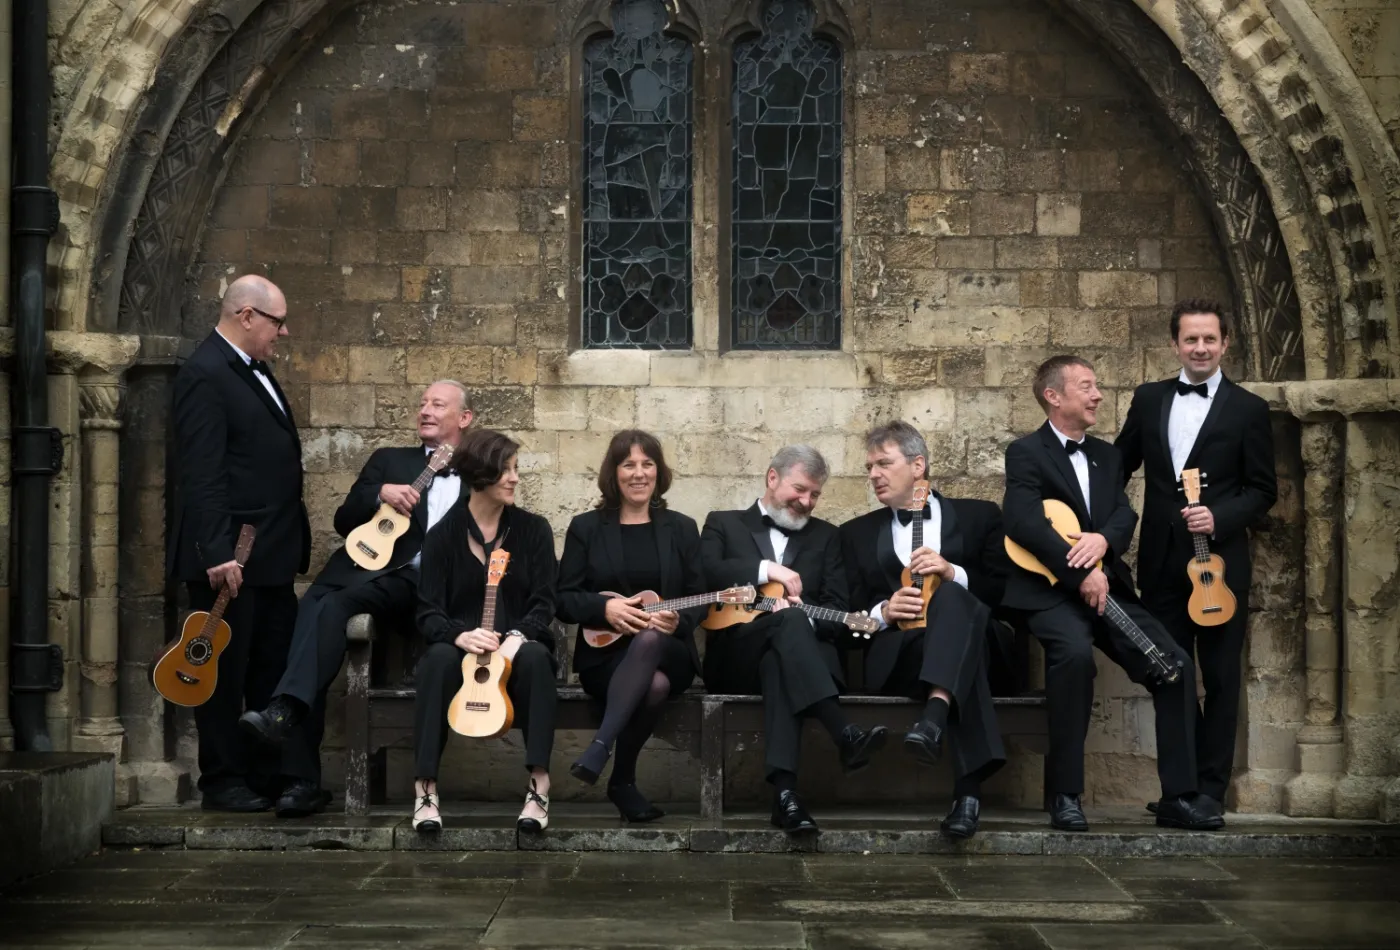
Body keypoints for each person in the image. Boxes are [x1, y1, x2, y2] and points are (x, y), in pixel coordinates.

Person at [1001, 355, 1221, 832]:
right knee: (1075, 660)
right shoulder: (1025, 453)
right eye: (1086, 386)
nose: (1098, 394)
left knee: (1175, 665)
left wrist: (1103, 543)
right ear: (1053, 396)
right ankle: (1065, 795)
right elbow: (1022, 522)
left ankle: (1178, 797)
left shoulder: (1108, 455)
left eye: (1096, 385)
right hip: (1050, 592)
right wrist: (1079, 572)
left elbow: (1123, 513)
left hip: (1108, 587)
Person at [238, 381, 474, 816]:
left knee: (326, 609)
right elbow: (345, 519)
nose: (424, 410)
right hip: (363, 573)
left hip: (424, 590)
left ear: (464, 419)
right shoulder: (389, 461)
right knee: (317, 609)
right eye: (421, 402)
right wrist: (378, 493)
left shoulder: (479, 474)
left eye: (437, 404)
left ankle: (288, 728)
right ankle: (298, 774)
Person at [1117, 299, 1277, 820]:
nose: (1201, 348)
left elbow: (1261, 490)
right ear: (1175, 345)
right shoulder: (1148, 399)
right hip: (1163, 563)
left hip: (1221, 568)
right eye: (1191, 340)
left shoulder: (1249, 409)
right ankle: (1177, 792)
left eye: (1210, 339)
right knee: (1170, 674)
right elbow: (1117, 465)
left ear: (1225, 343)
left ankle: (1209, 794)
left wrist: (1221, 517)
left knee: (1223, 679)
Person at [167, 274, 309, 812]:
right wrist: (218, 551)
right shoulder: (206, 373)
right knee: (222, 674)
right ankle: (223, 781)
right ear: (246, 315)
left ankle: (264, 774)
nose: (285, 331)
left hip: (269, 556)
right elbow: (201, 473)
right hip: (231, 558)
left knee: (268, 668)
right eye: (278, 321)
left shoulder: (254, 369)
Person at [699, 446, 886, 834]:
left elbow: (838, 610)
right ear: (772, 478)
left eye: (815, 494)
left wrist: (800, 616)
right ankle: (842, 731)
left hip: (795, 661)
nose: (806, 501)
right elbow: (707, 574)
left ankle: (786, 796)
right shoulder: (723, 523)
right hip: (736, 657)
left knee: (783, 651)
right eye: (800, 489)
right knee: (783, 635)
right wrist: (768, 568)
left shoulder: (828, 537)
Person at [840, 421, 1007, 839]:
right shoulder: (854, 534)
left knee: (952, 599)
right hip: (903, 655)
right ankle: (966, 792)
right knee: (964, 664)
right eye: (869, 466)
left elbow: (1006, 593)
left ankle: (936, 717)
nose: (873, 474)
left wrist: (954, 573)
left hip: (980, 643)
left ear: (918, 466)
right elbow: (844, 615)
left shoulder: (980, 516)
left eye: (884, 463)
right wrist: (882, 611)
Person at [409, 429, 559, 833]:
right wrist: (460, 635)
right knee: (437, 660)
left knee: (536, 659)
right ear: (478, 474)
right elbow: (428, 611)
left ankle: (538, 784)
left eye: (515, 470)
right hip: (461, 648)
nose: (514, 478)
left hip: (517, 644)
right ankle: (425, 788)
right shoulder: (442, 536)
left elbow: (544, 602)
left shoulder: (533, 530)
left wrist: (517, 636)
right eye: (504, 470)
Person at [556, 430, 705, 822]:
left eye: (647, 464)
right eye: (628, 465)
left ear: (658, 472)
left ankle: (599, 748)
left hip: (669, 650)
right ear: (614, 473)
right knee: (652, 685)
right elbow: (564, 598)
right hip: (605, 657)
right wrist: (605, 610)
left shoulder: (683, 528)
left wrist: (678, 619)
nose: (639, 474)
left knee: (652, 639)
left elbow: (700, 595)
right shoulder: (586, 528)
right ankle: (621, 781)